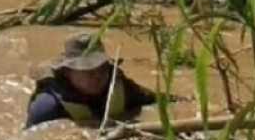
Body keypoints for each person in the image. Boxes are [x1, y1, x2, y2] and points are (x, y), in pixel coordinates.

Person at [25, 33, 157, 129]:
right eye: (87, 70)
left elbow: (162, 101)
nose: (97, 76)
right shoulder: (46, 107)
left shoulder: (124, 88)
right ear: (67, 72)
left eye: (101, 68)